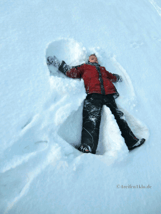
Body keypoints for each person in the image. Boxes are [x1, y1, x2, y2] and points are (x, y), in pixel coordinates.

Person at [47, 54, 145, 154]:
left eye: (95, 57)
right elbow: (71, 72)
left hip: (109, 95)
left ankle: (131, 141)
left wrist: (117, 77)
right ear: (88, 59)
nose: (94, 57)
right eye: (92, 57)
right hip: (93, 94)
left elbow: (111, 76)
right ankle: (88, 146)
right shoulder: (84, 67)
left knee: (119, 117)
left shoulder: (103, 69)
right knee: (91, 118)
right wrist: (58, 64)